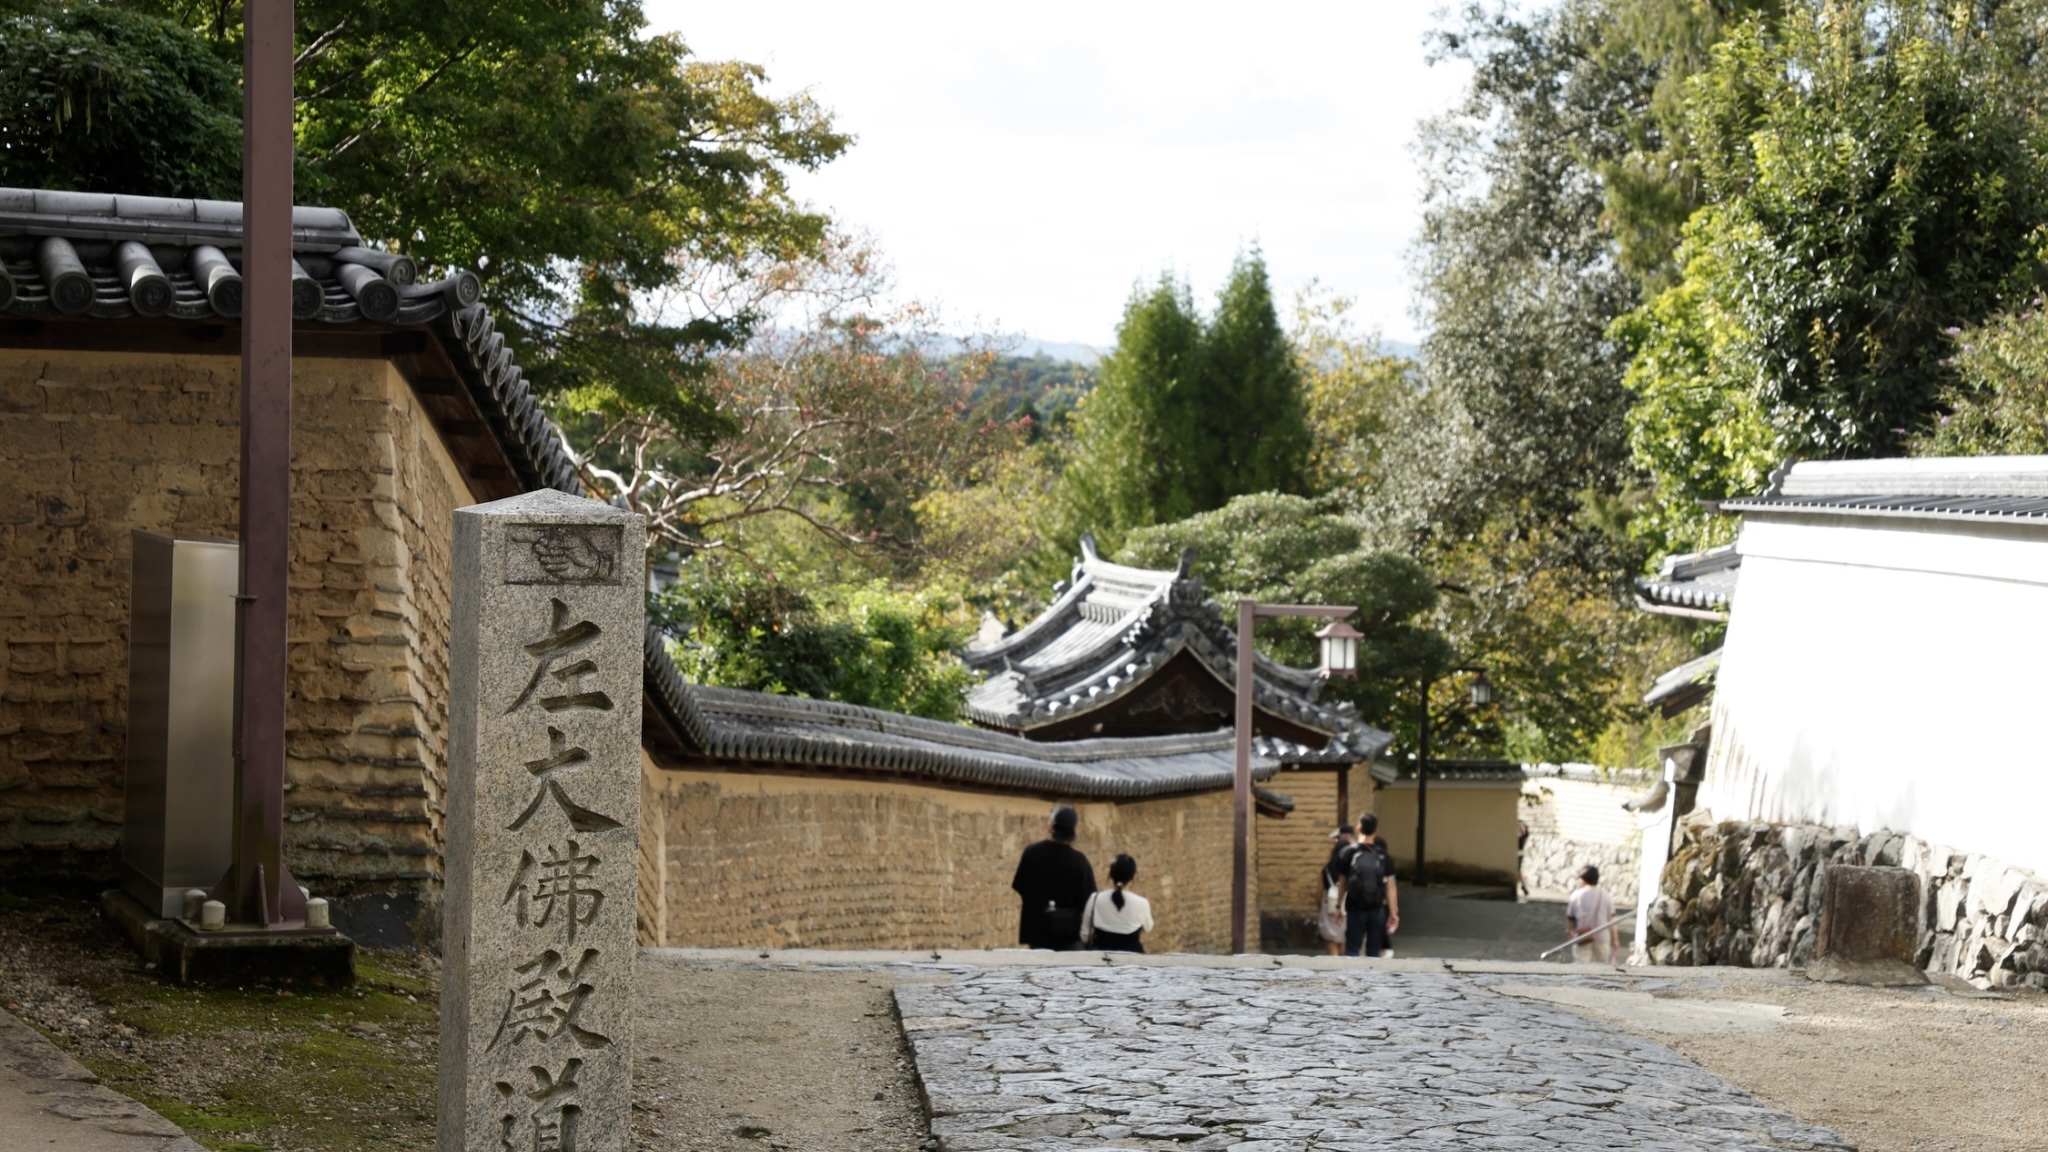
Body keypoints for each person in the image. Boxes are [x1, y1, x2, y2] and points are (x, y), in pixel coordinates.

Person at [1011, 804, 1096, 949]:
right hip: (1069, 935)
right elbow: (1089, 900)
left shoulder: (1032, 854)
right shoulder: (1079, 861)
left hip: (1038, 931)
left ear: (1050, 826)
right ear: (1073, 830)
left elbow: (1020, 886)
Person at [1341, 813, 1400, 958]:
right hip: (1377, 908)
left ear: (1358, 829)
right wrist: (1393, 912)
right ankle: (1372, 980)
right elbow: (1391, 887)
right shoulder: (1383, 856)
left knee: (1352, 950)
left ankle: (1350, 979)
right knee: (1373, 952)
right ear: (1376, 831)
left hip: (1355, 907)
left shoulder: (1348, 852)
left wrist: (1338, 907)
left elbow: (1342, 883)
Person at [1081, 853, 1152, 952]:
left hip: (1102, 958)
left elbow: (1085, 935)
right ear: (1133, 876)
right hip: (1133, 960)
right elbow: (1147, 928)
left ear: (1111, 875)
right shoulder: (1142, 903)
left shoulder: (1095, 899)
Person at [1566, 864, 1619, 964]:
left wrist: (1569, 932)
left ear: (1583, 879)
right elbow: (1612, 919)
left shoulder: (1576, 895)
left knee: (1580, 965)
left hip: (1583, 936)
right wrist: (1615, 939)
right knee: (1602, 967)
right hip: (1602, 935)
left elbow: (1570, 918)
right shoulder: (1606, 895)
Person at [1318, 826, 1356, 955]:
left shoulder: (1326, 869)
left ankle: (1334, 968)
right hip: (1348, 909)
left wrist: (1320, 909)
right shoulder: (1352, 868)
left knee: (1331, 942)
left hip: (1330, 908)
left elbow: (1318, 894)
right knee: (1345, 943)